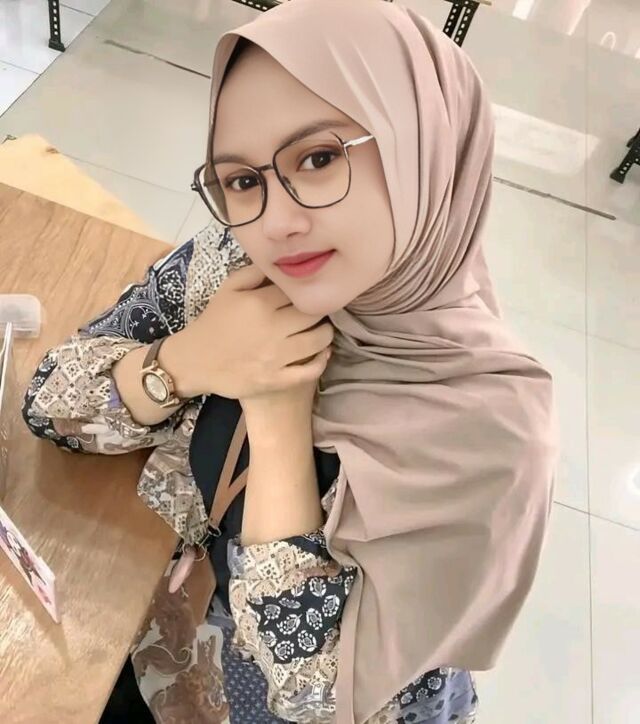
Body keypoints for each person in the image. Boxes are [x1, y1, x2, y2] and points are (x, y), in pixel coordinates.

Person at [22, 1, 558, 722]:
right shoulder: (239, 265)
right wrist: (185, 362)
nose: (277, 221)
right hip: (159, 641)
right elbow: (49, 404)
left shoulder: (487, 431)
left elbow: (322, 701)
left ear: (423, 150)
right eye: (243, 180)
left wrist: (276, 416)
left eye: (319, 158)